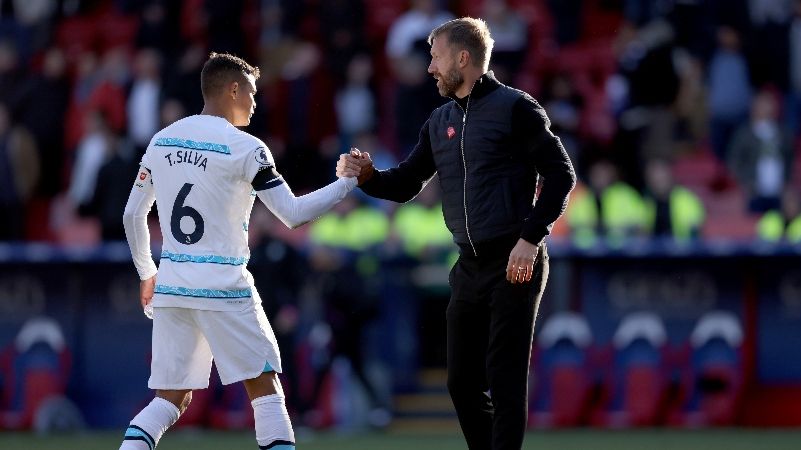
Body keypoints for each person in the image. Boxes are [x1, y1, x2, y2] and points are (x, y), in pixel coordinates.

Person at [337, 18, 576, 449]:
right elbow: (408, 182)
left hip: (514, 260)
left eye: (435, 56)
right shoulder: (439, 120)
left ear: (462, 58)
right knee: (461, 383)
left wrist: (531, 238)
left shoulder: (516, 108)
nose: (429, 67)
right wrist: (369, 177)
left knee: (504, 380)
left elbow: (562, 175)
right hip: (468, 263)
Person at [120, 52, 362, 450]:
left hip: (174, 285)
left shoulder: (161, 140)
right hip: (224, 284)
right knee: (266, 390)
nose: (255, 101)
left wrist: (148, 271)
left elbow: (132, 215)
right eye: (251, 91)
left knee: (170, 398)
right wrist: (347, 183)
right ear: (233, 89)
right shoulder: (245, 147)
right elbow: (293, 214)